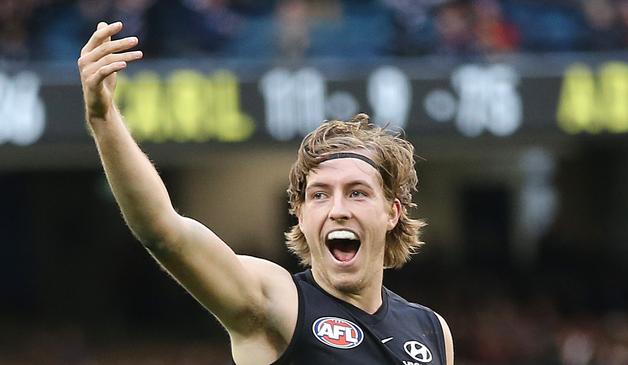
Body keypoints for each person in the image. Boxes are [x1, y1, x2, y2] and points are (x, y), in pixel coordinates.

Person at [77, 21, 454, 365]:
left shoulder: (431, 332)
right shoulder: (279, 303)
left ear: (393, 212)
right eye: (320, 195)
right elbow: (163, 232)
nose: (338, 209)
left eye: (357, 193)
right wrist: (104, 119)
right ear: (301, 214)